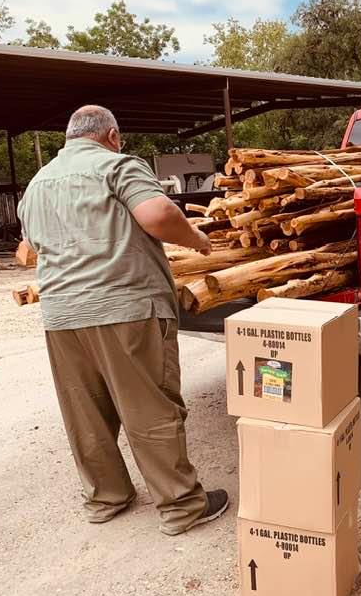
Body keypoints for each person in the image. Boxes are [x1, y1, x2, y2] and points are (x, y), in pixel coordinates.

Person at [18, 105, 228, 535]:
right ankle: (182, 505)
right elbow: (159, 216)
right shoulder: (115, 165)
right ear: (111, 136)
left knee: (86, 410)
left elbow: (30, 244)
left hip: (61, 315)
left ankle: (106, 497)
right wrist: (196, 239)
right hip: (125, 307)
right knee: (149, 405)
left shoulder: (37, 183)